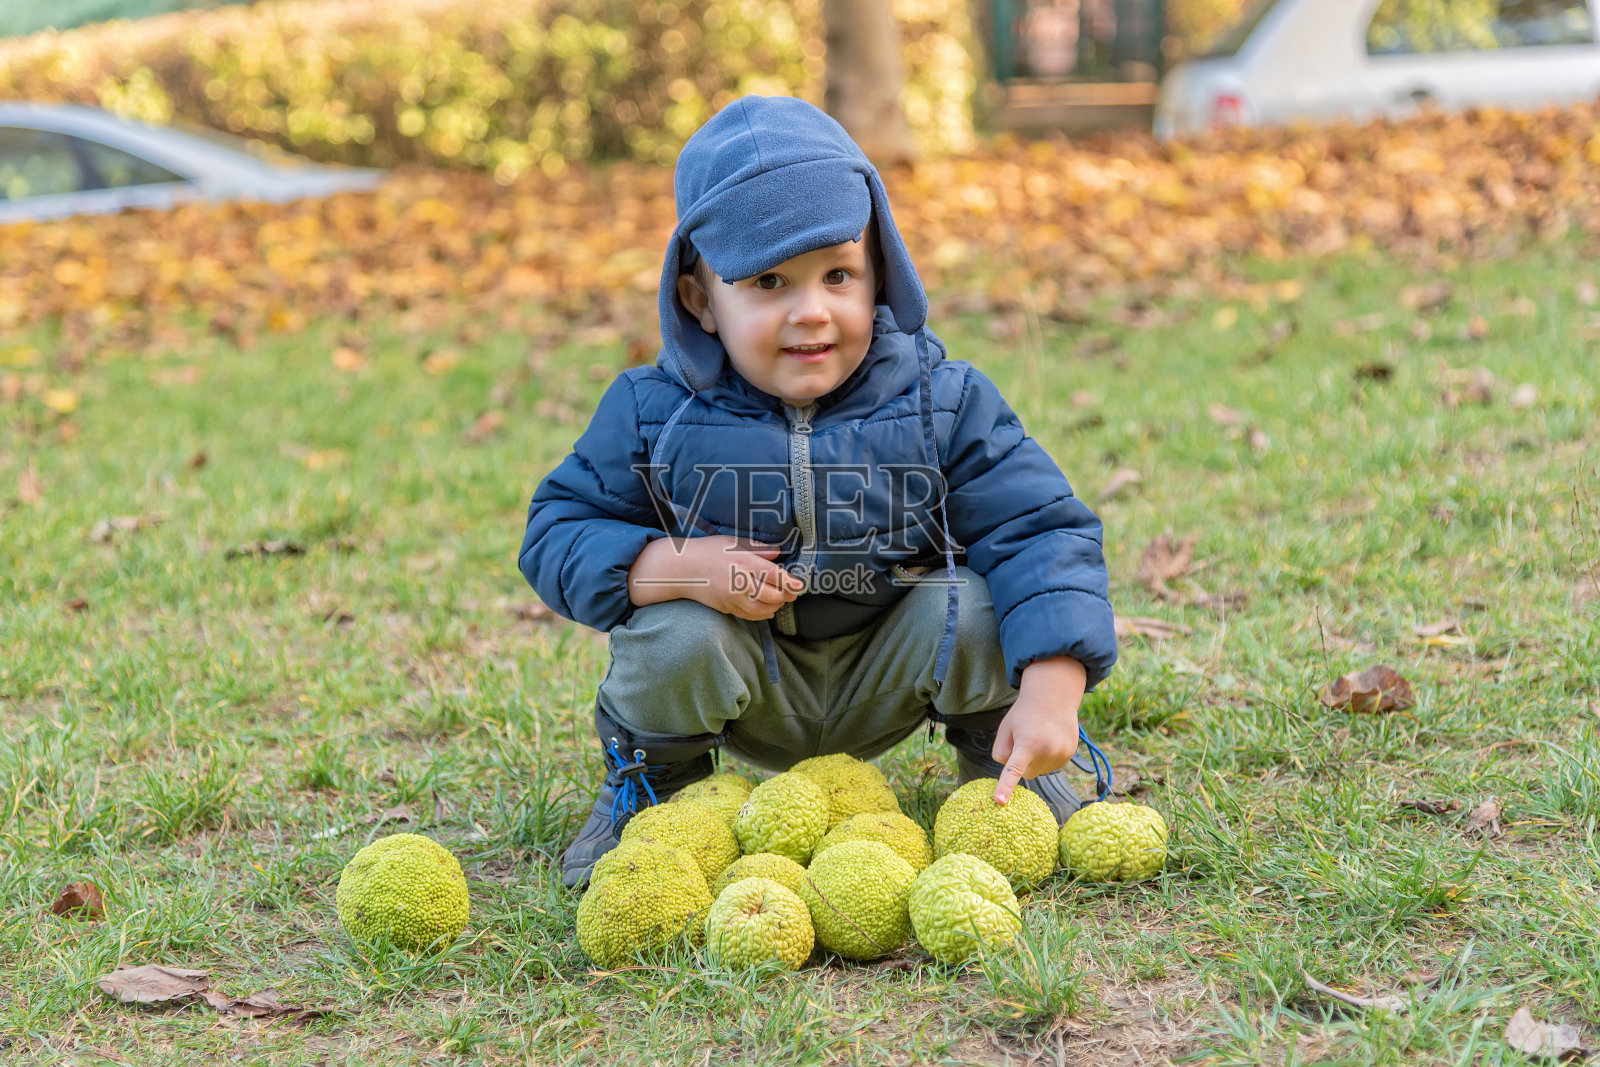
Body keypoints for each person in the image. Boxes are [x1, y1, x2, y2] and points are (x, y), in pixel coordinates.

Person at [518, 95, 1117, 888]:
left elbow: (1041, 530)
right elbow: (555, 528)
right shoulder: (651, 411)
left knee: (971, 600)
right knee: (676, 631)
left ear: (879, 272)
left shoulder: (944, 398)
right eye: (768, 281)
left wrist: (1051, 685)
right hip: (748, 678)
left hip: (890, 666)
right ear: (699, 298)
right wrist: (681, 567)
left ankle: (1005, 767)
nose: (812, 311)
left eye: (838, 273)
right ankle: (656, 786)